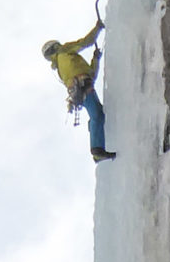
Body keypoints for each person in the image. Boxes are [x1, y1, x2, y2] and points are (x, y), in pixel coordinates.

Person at [42, 21, 115, 161]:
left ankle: (97, 147)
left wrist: (95, 58)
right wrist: (97, 28)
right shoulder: (64, 51)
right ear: (55, 47)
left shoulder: (61, 68)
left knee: (98, 114)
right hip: (82, 86)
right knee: (97, 115)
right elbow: (85, 42)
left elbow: (91, 74)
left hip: (79, 90)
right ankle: (97, 150)